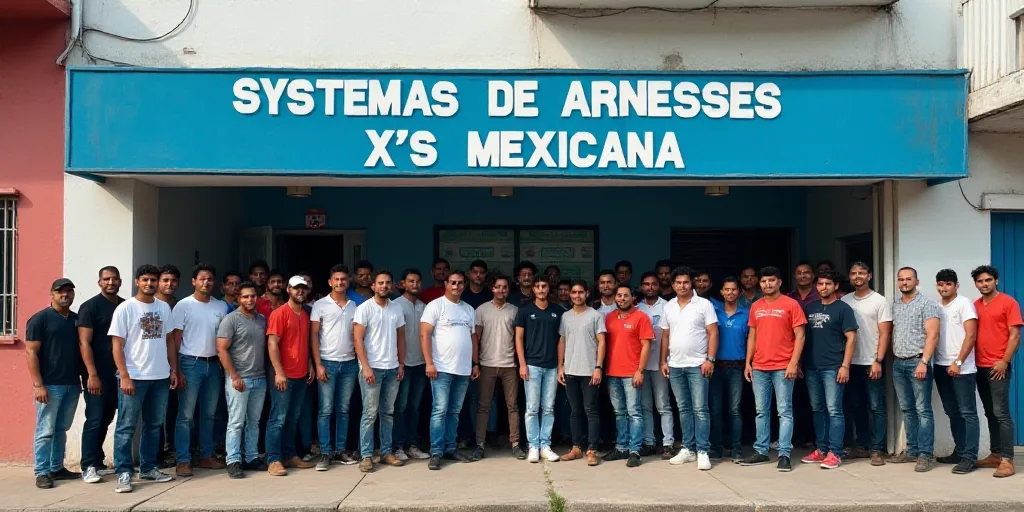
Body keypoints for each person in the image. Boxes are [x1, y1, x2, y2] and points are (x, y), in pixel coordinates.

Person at [109, 265, 180, 493]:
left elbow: (169, 340)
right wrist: (124, 375)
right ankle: (124, 472)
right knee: (126, 426)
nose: (149, 284)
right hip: (134, 377)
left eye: (153, 280)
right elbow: (117, 345)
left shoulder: (163, 308)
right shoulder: (125, 308)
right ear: (137, 282)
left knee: (154, 425)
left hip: (160, 377)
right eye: (145, 280)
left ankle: (148, 468)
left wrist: (173, 370)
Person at [741, 266, 806, 472]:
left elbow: (800, 335)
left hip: (783, 366)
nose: (767, 284)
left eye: (771, 280)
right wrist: (748, 362)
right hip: (759, 366)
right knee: (761, 411)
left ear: (779, 282)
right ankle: (761, 451)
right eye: (763, 281)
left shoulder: (791, 304)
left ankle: (784, 454)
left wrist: (794, 362)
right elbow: (752, 335)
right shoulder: (756, 306)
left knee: (784, 411)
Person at [171, 263, 229, 476]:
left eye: (210, 279)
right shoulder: (183, 306)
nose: (206, 282)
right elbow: (175, 340)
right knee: (186, 415)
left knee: (209, 414)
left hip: (213, 364)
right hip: (189, 363)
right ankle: (183, 459)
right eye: (202, 279)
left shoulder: (221, 306)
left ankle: (206, 455)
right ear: (194, 281)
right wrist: (176, 369)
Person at [659, 267, 718, 470]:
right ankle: (688, 449)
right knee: (683, 408)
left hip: (698, 365)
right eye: (678, 283)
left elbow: (713, 333)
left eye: (685, 282)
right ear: (673, 285)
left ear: (691, 283)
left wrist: (710, 359)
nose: (682, 286)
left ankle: (703, 450)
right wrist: (663, 361)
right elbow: (665, 336)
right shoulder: (669, 306)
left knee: (700, 409)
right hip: (675, 365)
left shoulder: (703, 304)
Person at [26, 278, 81, 489]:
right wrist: (38, 384)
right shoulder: (40, 319)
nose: (65, 295)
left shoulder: (75, 320)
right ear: (52, 295)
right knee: (45, 430)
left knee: (61, 428)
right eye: (60, 292)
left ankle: (57, 467)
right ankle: (42, 471)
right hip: (49, 385)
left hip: (72, 384)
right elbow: (31, 352)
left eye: (69, 291)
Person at [800, 271, 857, 470]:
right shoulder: (810, 307)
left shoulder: (844, 309)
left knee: (834, 410)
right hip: (812, 367)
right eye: (820, 284)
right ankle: (821, 449)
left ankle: (835, 452)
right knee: (817, 409)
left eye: (828, 284)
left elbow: (851, 338)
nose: (823, 287)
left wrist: (845, 366)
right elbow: (803, 337)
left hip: (833, 367)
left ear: (835, 286)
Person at [421, 270, 478, 470]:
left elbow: (473, 338)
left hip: (463, 369)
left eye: (460, 283)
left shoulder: (468, 309)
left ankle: (450, 448)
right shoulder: (435, 306)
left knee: (454, 411)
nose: (456, 286)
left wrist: (475, 363)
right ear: (446, 284)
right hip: (441, 368)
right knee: (440, 410)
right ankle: (436, 452)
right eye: (453, 282)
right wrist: (429, 363)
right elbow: (424, 335)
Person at [353, 270, 407, 473]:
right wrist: (366, 367)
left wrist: (401, 364)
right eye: (380, 283)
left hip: (392, 368)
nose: (384, 286)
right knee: (369, 414)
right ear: (373, 286)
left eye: (387, 283)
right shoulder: (364, 309)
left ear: (392, 286)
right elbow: (357, 339)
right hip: (372, 368)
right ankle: (367, 455)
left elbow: (401, 338)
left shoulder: (397, 308)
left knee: (388, 413)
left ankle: (386, 452)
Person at [888, 267, 940, 472]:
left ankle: (925, 454)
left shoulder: (927, 304)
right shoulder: (896, 305)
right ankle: (912, 450)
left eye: (908, 279)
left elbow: (933, 335)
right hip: (899, 363)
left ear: (916, 282)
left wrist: (924, 362)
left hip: (918, 362)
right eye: (901, 279)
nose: (904, 282)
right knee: (907, 409)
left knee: (922, 410)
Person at [971, 265, 1021, 478]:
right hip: (979, 366)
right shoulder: (975, 305)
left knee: (1001, 413)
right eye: (980, 281)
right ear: (976, 284)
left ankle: (1007, 460)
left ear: (996, 281)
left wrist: (1004, 361)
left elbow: (1015, 335)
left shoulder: (1008, 303)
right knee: (990, 412)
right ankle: (996, 454)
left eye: (988, 280)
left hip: (997, 367)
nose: (984, 284)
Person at [310, 264, 360, 470]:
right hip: (327, 362)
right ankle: (325, 452)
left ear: (348, 281)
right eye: (336, 279)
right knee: (325, 410)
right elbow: (314, 335)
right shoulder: (320, 305)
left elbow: (357, 336)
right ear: (330, 282)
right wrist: (318, 364)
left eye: (343, 279)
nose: (340, 282)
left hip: (349, 364)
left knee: (343, 409)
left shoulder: (354, 306)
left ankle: (340, 450)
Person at [840, 262, 891, 465]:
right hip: (851, 362)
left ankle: (878, 449)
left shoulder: (879, 301)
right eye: (853, 273)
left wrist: (878, 360)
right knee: (856, 405)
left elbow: (885, 333)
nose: (857, 276)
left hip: (871, 362)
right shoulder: (844, 301)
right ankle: (862, 446)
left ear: (869, 276)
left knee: (876, 406)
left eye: (861, 273)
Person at [265, 276, 316, 476]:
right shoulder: (280, 313)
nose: (300, 291)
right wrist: (279, 372)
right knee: (278, 418)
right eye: (296, 288)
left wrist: (310, 363)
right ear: (288, 290)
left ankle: (289, 455)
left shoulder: (305, 314)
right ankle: (273, 459)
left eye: (303, 288)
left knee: (292, 418)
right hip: (283, 375)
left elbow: (304, 343)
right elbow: (272, 344)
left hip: (301, 375)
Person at [216, 281, 268, 478]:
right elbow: (221, 349)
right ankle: (233, 460)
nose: (250, 300)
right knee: (236, 422)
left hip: (259, 378)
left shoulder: (261, 319)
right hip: (239, 379)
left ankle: (252, 457)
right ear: (238, 298)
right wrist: (234, 375)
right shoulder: (230, 320)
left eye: (253, 296)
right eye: (245, 296)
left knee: (253, 421)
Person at [78, 267, 124, 483]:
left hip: (119, 372)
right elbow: (84, 342)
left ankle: (97, 461)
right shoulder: (90, 307)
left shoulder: (125, 305)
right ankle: (87, 465)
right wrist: (92, 374)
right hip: (97, 373)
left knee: (107, 417)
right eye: (106, 279)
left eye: (114, 279)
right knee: (95, 418)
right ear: (99, 282)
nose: (110, 282)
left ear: (120, 281)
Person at [472, 275, 524, 461]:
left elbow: (519, 339)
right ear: (492, 288)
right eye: (498, 287)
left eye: (504, 287)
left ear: (508, 290)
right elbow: (476, 338)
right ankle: (480, 444)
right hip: (487, 364)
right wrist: (476, 363)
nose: (501, 290)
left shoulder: (515, 310)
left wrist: (520, 363)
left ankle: (515, 444)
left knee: (512, 406)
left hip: (509, 365)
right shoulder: (481, 310)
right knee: (483, 406)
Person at [933, 269, 980, 475]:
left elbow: (971, 336)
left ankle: (970, 457)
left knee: (967, 413)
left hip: (962, 368)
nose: (944, 288)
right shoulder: (936, 307)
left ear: (956, 286)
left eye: (948, 284)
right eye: (941, 284)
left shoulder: (964, 304)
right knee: (952, 411)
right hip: (940, 366)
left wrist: (959, 362)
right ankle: (959, 451)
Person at [557, 280, 606, 466]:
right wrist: (560, 366)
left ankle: (592, 449)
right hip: (571, 370)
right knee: (575, 411)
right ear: (570, 295)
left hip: (589, 371)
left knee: (591, 410)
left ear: (587, 293)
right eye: (574, 292)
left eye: (580, 292)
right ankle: (576, 447)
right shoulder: (566, 316)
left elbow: (602, 342)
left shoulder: (595, 315)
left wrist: (598, 367)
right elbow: (562, 341)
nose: (577, 296)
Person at [604, 284, 654, 468]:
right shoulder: (609, 318)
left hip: (632, 373)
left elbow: (646, 345)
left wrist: (640, 370)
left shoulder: (641, 317)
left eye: (626, 295)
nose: (622, 299)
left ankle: (634, 451)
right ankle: (621, 447)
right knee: (619, 412)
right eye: (619, 295)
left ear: (633, 298)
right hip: (612, 372)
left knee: (634, 412)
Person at [515, 279, 564, 463]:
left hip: (551, 366)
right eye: (538, 287)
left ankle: (545, 445)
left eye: (544, 286)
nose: (541, 289)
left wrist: (560, 365)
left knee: (549, 408)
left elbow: (561, 340)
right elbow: (518, 338)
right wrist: (522, 364)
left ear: (548, 289)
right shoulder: (524, 311)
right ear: (533, 289)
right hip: (532, 365)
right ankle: (533, 446)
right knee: (532, 408)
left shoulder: (558, 311)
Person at [393, 269, 431, 461]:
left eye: (417, 281)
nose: (415, 284)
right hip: (403, 364)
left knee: (414, 407)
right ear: (402, 284)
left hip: (421, 364)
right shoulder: (395, 305)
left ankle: (412, 444)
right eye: (411, 281)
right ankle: (398, 446)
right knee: (400, 407)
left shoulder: (425, 307)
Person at [711, 277, 749, 463]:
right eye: (726, 289)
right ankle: (716, 448)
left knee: (734, 410)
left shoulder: (746, 313)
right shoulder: (714, 311)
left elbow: (751, 340)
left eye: (734, 289)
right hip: (716, 366)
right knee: (715, 410)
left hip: (737, 367)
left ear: (739, 292)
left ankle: (736, 448)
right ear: (721, 292)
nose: (730, 293)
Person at [636, 272, 674, 459]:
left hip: (661, 363)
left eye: (653, 284)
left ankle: (668, 443)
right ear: (641, 287)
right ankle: (649, 442)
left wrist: (666, 360)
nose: (650, 287)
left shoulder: (668, 306)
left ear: (659, 286)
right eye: (646, 284)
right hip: (641, 365)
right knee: (645, 406)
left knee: (663, 405)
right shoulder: (636, 308)